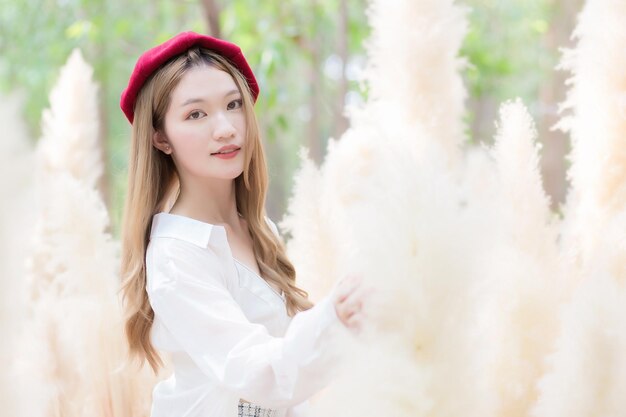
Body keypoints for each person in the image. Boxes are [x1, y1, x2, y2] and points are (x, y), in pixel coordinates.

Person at [118, 31, 371, 417]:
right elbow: (256, 372)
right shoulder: (176, 255)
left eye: (233, 105)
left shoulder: (255, 227)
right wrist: (336, 316)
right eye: (195, 114)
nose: (225, 128)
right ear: (160, 138)